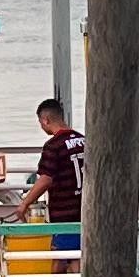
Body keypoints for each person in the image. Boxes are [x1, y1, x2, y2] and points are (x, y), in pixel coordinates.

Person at [14, 98, 84, 231]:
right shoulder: (83, 140)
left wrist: (25, 204)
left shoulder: (53, 145)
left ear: (46, 120)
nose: (41, 126)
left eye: (41, 122)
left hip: (65, 215)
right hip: (86, 211)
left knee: (66, 251)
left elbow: (46, 179)